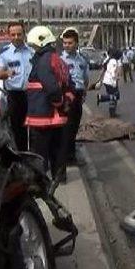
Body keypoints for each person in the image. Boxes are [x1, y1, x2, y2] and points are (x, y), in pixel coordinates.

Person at [25, 26, 74, 183]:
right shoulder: (57, 59)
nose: (32, 48)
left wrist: (58, 102)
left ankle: (39, 181)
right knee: (57, 148)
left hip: (42, 114)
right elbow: (69, 85)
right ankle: (59, 177)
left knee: (39, 152)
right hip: (56, 116)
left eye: (33, 45)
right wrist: (64, 102)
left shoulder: (44, 60)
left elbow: (51, 87)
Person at [0, 21, 34, 151]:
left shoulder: (32, 52)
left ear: (24, 34)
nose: (16, 37)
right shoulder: (4, 53)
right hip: (15, 96)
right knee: (18, 129)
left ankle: (36, 154)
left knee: (35, 127)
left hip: (33, 95)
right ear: (9, 35)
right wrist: (7, 73)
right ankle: (23, 155)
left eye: (19, 34)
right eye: (13, 34)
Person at [60, 27, 89, 165]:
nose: (66, 45)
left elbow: (85, 78)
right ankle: (68, 158)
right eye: (65, 43)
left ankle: (71, 155)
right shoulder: (60, 60)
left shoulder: (82, 60)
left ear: (76, 43)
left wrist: (84, 93)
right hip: (67, 96)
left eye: (70, 43)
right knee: (67, 128)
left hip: (78, 95)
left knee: (75, 126)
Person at [96, 48, 122, 118]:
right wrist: (116, 78)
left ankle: (112, 112)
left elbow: (103, 70)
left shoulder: (108, 60)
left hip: (107, 81)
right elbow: (114, 72)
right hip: (111, 82)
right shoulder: (114, 61)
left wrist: (99, 79)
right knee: (115, 96)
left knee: (113, 97)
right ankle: (101, 97)